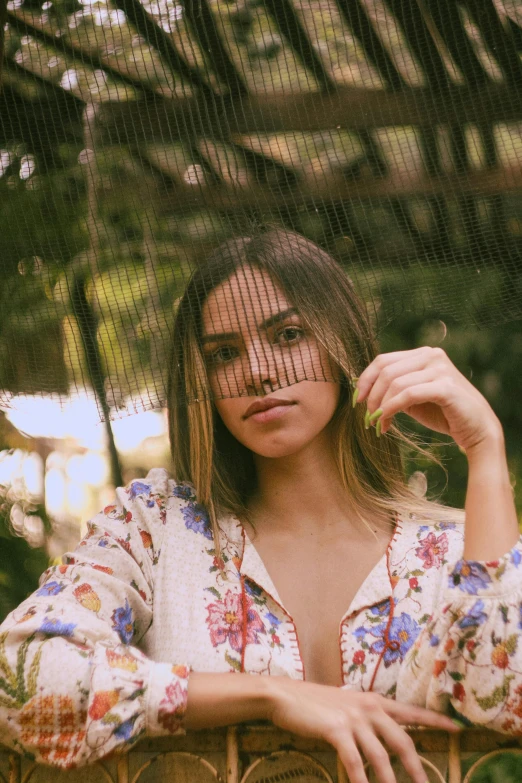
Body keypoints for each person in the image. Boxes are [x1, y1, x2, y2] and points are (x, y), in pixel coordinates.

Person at [0, 229, 520, 783]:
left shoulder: (449, 554)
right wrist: (268, 696)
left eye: (289, 335)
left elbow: (506, 691)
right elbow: (20, 678)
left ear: (340, 342)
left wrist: (485, 450)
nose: (258, 370)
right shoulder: (153, 532)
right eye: (224, 353)